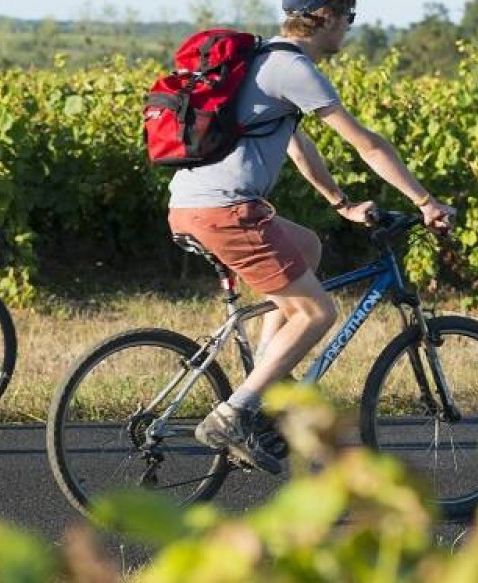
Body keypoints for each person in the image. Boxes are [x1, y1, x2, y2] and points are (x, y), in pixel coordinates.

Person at [169, 0, 456, 473]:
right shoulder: (293, 67)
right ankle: (234, 413)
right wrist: (425, 202)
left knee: (307, 247)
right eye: (349, 16)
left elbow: (298, 146)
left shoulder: (264, 60)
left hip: (192, 206)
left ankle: (265, 388)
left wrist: (341, 204)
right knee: (319, 311)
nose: (350, 26)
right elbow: (366, 142)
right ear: (326, 15)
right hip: (225, 211)